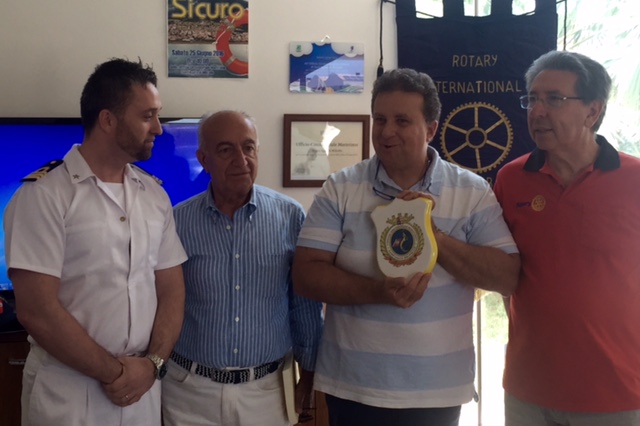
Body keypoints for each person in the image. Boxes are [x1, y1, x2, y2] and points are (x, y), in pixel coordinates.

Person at [292, 68, 520, 426]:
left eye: (402, 120)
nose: (386, 132)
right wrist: (377, 292)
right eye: (380, 119)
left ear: (430, 128)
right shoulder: (340, 188)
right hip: (353, 386)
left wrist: (433, 236)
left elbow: (507, 277)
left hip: (437, 390)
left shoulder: (472, 192)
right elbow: (306, 276)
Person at [3, 58, 187, 425]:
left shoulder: (154, 195)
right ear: (107, 120)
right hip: (69, 392)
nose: (159, 128)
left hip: (142, 389)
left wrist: (151, 365)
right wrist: (117, 373)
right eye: (147, 116)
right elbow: (37, 310)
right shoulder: (44, 195)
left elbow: (171, 290)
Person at [494, 50, 640, 425]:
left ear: (593, 111)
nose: (537, 111)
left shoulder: (635, 179)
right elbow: (501, 270)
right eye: (532, 99)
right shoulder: (511, 179)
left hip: (616, 392)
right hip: (528, 392)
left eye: (554, 99)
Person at [162, 111, 324, 426]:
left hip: (266, 394)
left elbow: (304, 304)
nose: (241, 160)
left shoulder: (290, 216)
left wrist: (310, 372)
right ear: (204, 159)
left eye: (248, 147)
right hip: (188, 393)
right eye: (226, 150)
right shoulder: (176, 222)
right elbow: (161, 304)